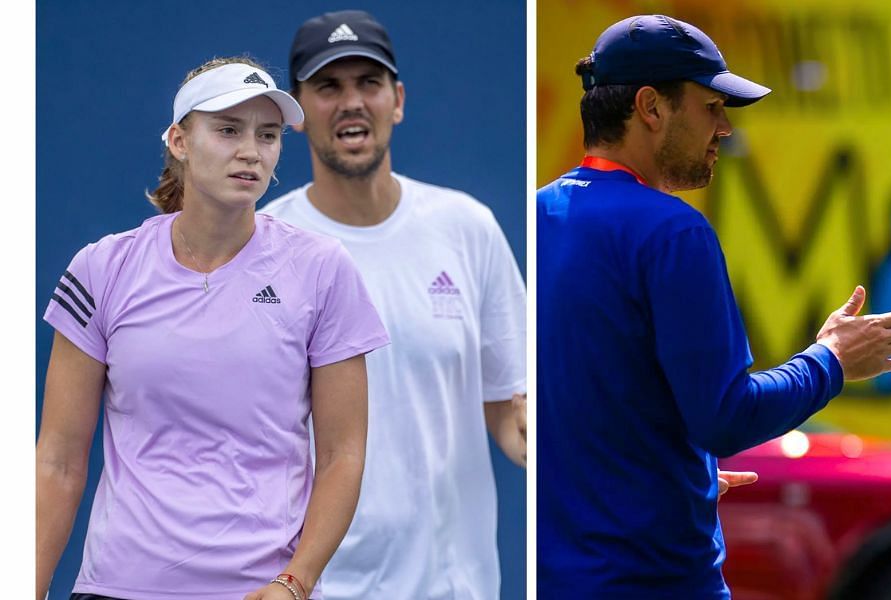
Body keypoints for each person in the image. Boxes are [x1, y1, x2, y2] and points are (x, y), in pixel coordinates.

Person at [536, 14, 891, 598]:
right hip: (657, 581)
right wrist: (831, 361)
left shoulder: (536, 216)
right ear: (651, 107)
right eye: (711, 106)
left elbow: (568, 410)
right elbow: (726, 417)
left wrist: (676, 473)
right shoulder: (673, 231)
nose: (724, 128)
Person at [35, 57, 389, 600]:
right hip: (119, 587)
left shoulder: (322, 269)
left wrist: (294, 583)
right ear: (179, 141)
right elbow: (58, 460)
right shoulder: (101, 269)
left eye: (268, 135)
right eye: (228, 130)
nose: (251, 151)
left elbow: (343, 454)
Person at [259, 10, 528, 599]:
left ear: (397, 100)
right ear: (298, 115)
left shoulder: (467, 228)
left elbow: (514, 413)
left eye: (369, 84)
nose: (351, 102)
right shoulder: (260, 249)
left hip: (457, 587)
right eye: (329, 87)